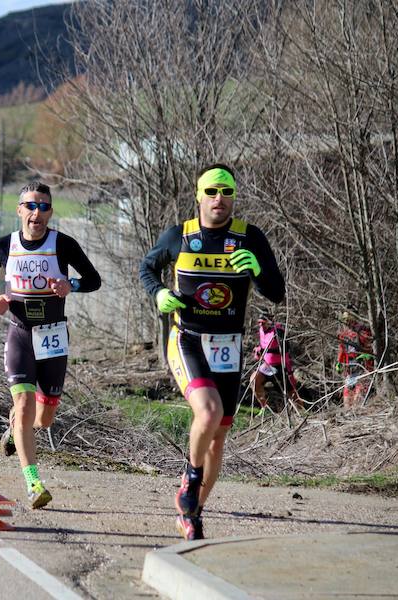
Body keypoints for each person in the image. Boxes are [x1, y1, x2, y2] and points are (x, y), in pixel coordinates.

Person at [139, 164, 285, 540]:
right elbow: (147, 268)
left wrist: (256, 270)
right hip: (187, 338)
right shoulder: (180, 236)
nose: (220, 199)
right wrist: (158, 292)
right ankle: (190, 475)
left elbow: (277, 291)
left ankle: (193, 513)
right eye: (212, 191)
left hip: (228, 345)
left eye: (227, 191)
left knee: (218, 436)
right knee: (208, 411)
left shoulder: (250, 237)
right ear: (199, 196)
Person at [0, 181, 101, 509]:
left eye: (44, 206)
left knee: (43, 419)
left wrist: (70, 284)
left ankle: (14, 429)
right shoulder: (4, 245)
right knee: (25, 404)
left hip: (53, 335)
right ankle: (34, 483)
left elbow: (94, 279)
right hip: (19, 334)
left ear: (50, 212)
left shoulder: (63, 244)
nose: (37, 213)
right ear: (19, 210)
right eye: (31, 206)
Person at [249, 311, 302, 411]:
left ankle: (301, 411)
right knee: (254, 380)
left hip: (280, 366)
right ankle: (265, 408)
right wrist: (258, 350)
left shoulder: (278, 330)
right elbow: (263, 344)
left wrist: (266, 351)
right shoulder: (261, 330)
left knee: (291, 392)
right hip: (267, 365)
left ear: (269, 322)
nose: (261, 325)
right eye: (259, 322)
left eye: (263, 322)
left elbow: (285, 348)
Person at [336, 305, 374, 408]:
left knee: (358, 400)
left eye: (349, 319)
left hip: (362, 369)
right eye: (345, 320)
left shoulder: (363, 332)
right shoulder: (343, 335)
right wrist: (339, 362)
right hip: (350, 370)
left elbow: (370, 348)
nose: (347, 322)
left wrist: (367, 359)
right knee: (347, 402)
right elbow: (342, 350)